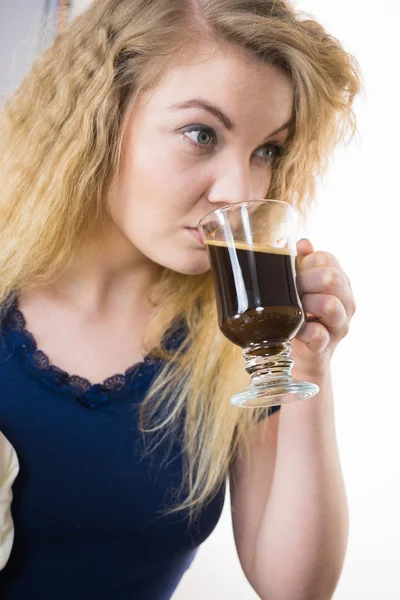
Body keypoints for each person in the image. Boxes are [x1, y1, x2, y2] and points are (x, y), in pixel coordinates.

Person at [0, 0, 360, 598]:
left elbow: (294, 588)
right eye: (201, 134)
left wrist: (309, 365)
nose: (239, 190)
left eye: (266, 150)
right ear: (98, 118)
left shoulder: (232, 338)